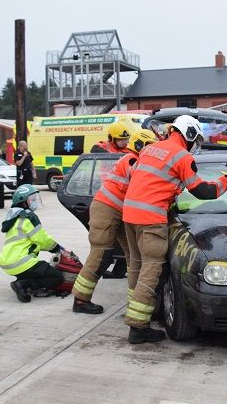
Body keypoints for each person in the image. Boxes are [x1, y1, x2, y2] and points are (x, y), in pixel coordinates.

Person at [122, 115, 227, 344]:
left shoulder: (151, 149)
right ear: (190, 134)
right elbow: (203, 191)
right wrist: (226, 182)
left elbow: (145, 180)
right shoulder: (181, 156)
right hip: (151, 218)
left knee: (137, 264)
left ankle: (141, 309)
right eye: (196, 140)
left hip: (130, 214)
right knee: (152, 269)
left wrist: (169, 193)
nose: (195, 145)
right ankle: (138, 326)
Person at [71, 129, 158, 315]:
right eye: (151, 147)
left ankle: (135, 302)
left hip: (122, 212)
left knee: (133, 256)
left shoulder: (134, 159)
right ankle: (80, 299)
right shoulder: (131, 160)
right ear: (140, 145)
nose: (154, 152)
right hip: (107, 209)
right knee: (101, 253)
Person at [0, 184, 65, 302]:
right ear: (23, 202)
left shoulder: (13, 218)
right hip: (21, 261)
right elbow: (41, 239)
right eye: (32, 199)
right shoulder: (28, 217)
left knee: (38, 271)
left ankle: (22, 283)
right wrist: (56, 247)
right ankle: (24, 284)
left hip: (8, 261)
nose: (35, 202)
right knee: (57, 277)